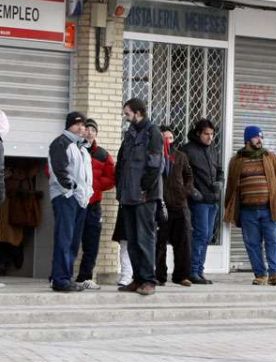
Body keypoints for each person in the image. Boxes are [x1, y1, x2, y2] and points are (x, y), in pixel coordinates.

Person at [224, 126, 276, 286]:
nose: (260, 140)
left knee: (273, 241)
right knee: (252, 244)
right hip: (247, 211)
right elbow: (231, 186)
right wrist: (229, 207)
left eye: (261, 137)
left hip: (269, 209)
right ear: (247, 140)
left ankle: (275, 273)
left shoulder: (270, 157)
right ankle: (260, 274)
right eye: (256, 137)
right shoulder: (236, 160)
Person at [116, 98, 163, 295]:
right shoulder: (130, 133)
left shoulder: (152, 132)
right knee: (132, 240)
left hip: (144, 196)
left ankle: (149, 280)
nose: (125, 117)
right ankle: (137, 278)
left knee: (145, 238)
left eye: (127, 114)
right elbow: (121, 162)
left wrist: (144, 188)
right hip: (128, 195)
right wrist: (121, 188)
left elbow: (154, 165)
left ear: (138, 112)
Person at [48, 111, 93, 292]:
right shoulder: (61, 143)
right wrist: (71, 189)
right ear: (69, 125)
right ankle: (60, 279)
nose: (81, 128)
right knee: (64, 239)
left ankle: (65, 277)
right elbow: (60, 170)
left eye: (83, 125)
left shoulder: (81, 147)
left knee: (73, 241)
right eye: (77, 125)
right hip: (66, 197)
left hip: (80, 200)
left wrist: (86, 193)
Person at [73, 119, 116, 290]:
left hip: (94, 205)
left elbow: (111, 177)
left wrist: (94, 184)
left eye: (93, 130)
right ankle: (61, 275)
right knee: (71, 241)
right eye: (87, 129)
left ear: (96, 133)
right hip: (76, 204)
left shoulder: (103, 155)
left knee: (91, 243)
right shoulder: (73, 149)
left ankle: (85, 277)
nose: (90, 132)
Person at [181, 118, 224, 285]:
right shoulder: (188, 150)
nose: (210, 137)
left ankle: (199, 270)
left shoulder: (212, 150)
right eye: (206, 134)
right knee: (200, 235)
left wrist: (220, 181)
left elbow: (219, 170)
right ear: (198, 133)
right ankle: (192, 271)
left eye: (212, 134)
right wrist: (193, 192)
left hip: (212, 199)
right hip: (198, 200)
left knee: (206, 236)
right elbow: (182, 175)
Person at [155, 125, 194, 287]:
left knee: (183, 241)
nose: (167, 141)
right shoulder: (155, 155)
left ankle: (181, 275)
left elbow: (189, 176)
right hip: (161, 204)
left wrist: (184, 192)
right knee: (160, 242)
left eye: (170, 138)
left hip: (179, 204)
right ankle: (159, 275)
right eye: (164, 137)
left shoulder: (180, 156)